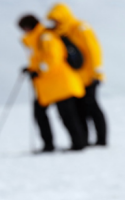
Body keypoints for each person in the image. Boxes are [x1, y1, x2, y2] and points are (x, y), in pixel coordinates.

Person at [18, 14, 87, 152]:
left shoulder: (46, 37)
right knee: (45, 113)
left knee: (67, 115)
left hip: (60, 83)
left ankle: (77, 144)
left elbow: (53, 59)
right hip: (50, 85)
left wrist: (37, 71)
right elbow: (41, 60)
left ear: (28, 27)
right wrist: (31, 69)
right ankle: (52, 144)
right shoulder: (38, 38)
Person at [47, 3, 108, 146]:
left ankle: (101, 139)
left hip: (90, 76)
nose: (55, 23)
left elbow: (93, 50)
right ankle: (85, 140)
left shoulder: (80, 27)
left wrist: (97, 72)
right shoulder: (62, 33)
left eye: (57, 19)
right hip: (76, 79)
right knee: (81, 110)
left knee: (93, 108)